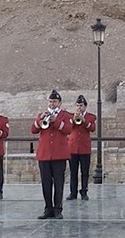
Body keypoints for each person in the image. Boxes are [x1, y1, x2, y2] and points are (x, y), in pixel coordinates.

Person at [31, 90, 73, 219]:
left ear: (59, 103)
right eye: (50, 101)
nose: (52, 104)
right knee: (46, 183)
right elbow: (33, 130)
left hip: (59, 154)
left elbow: (68, 129)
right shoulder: (42, 115)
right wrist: (40, 120)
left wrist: (55, 121)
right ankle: (48, 208)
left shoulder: (66, 115)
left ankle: (58, 209)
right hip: (44, 154)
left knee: (59, 183)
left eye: (54, 102)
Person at [67, 94, 97, 201]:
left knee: (85, 172)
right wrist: (74, 120)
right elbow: (69, 129)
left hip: (84, 148)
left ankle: (84, 191)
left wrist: (84, 121)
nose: (79, 107)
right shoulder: (72, 116)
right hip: (73, 148)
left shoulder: (91, 117)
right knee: (73, 172)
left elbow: (92, 128)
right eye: (78, 105)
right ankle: (73, 192)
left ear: (85, 106)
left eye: (81, 105)